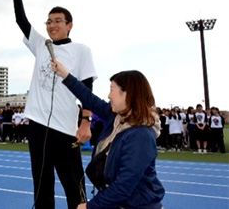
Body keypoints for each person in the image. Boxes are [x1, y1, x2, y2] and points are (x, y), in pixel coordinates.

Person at [9, 0, 97, 209]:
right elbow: (20, 20)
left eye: (58, 21)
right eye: (48, 21)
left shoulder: (81, 50)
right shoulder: (40, 44)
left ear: (70, 24)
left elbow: (88, 87)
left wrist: (86, 121)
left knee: (74, 187)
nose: (51, 25)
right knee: (41, 187)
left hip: (66, 129)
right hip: (38, 126)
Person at [51, 61, 165, 209]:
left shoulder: (141, 135)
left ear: (127, 95)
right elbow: (89, 99)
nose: (109, 95)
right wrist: (65, 75)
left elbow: (124, 185)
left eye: (112, 90)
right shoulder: (117, 118)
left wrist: (90, 206)